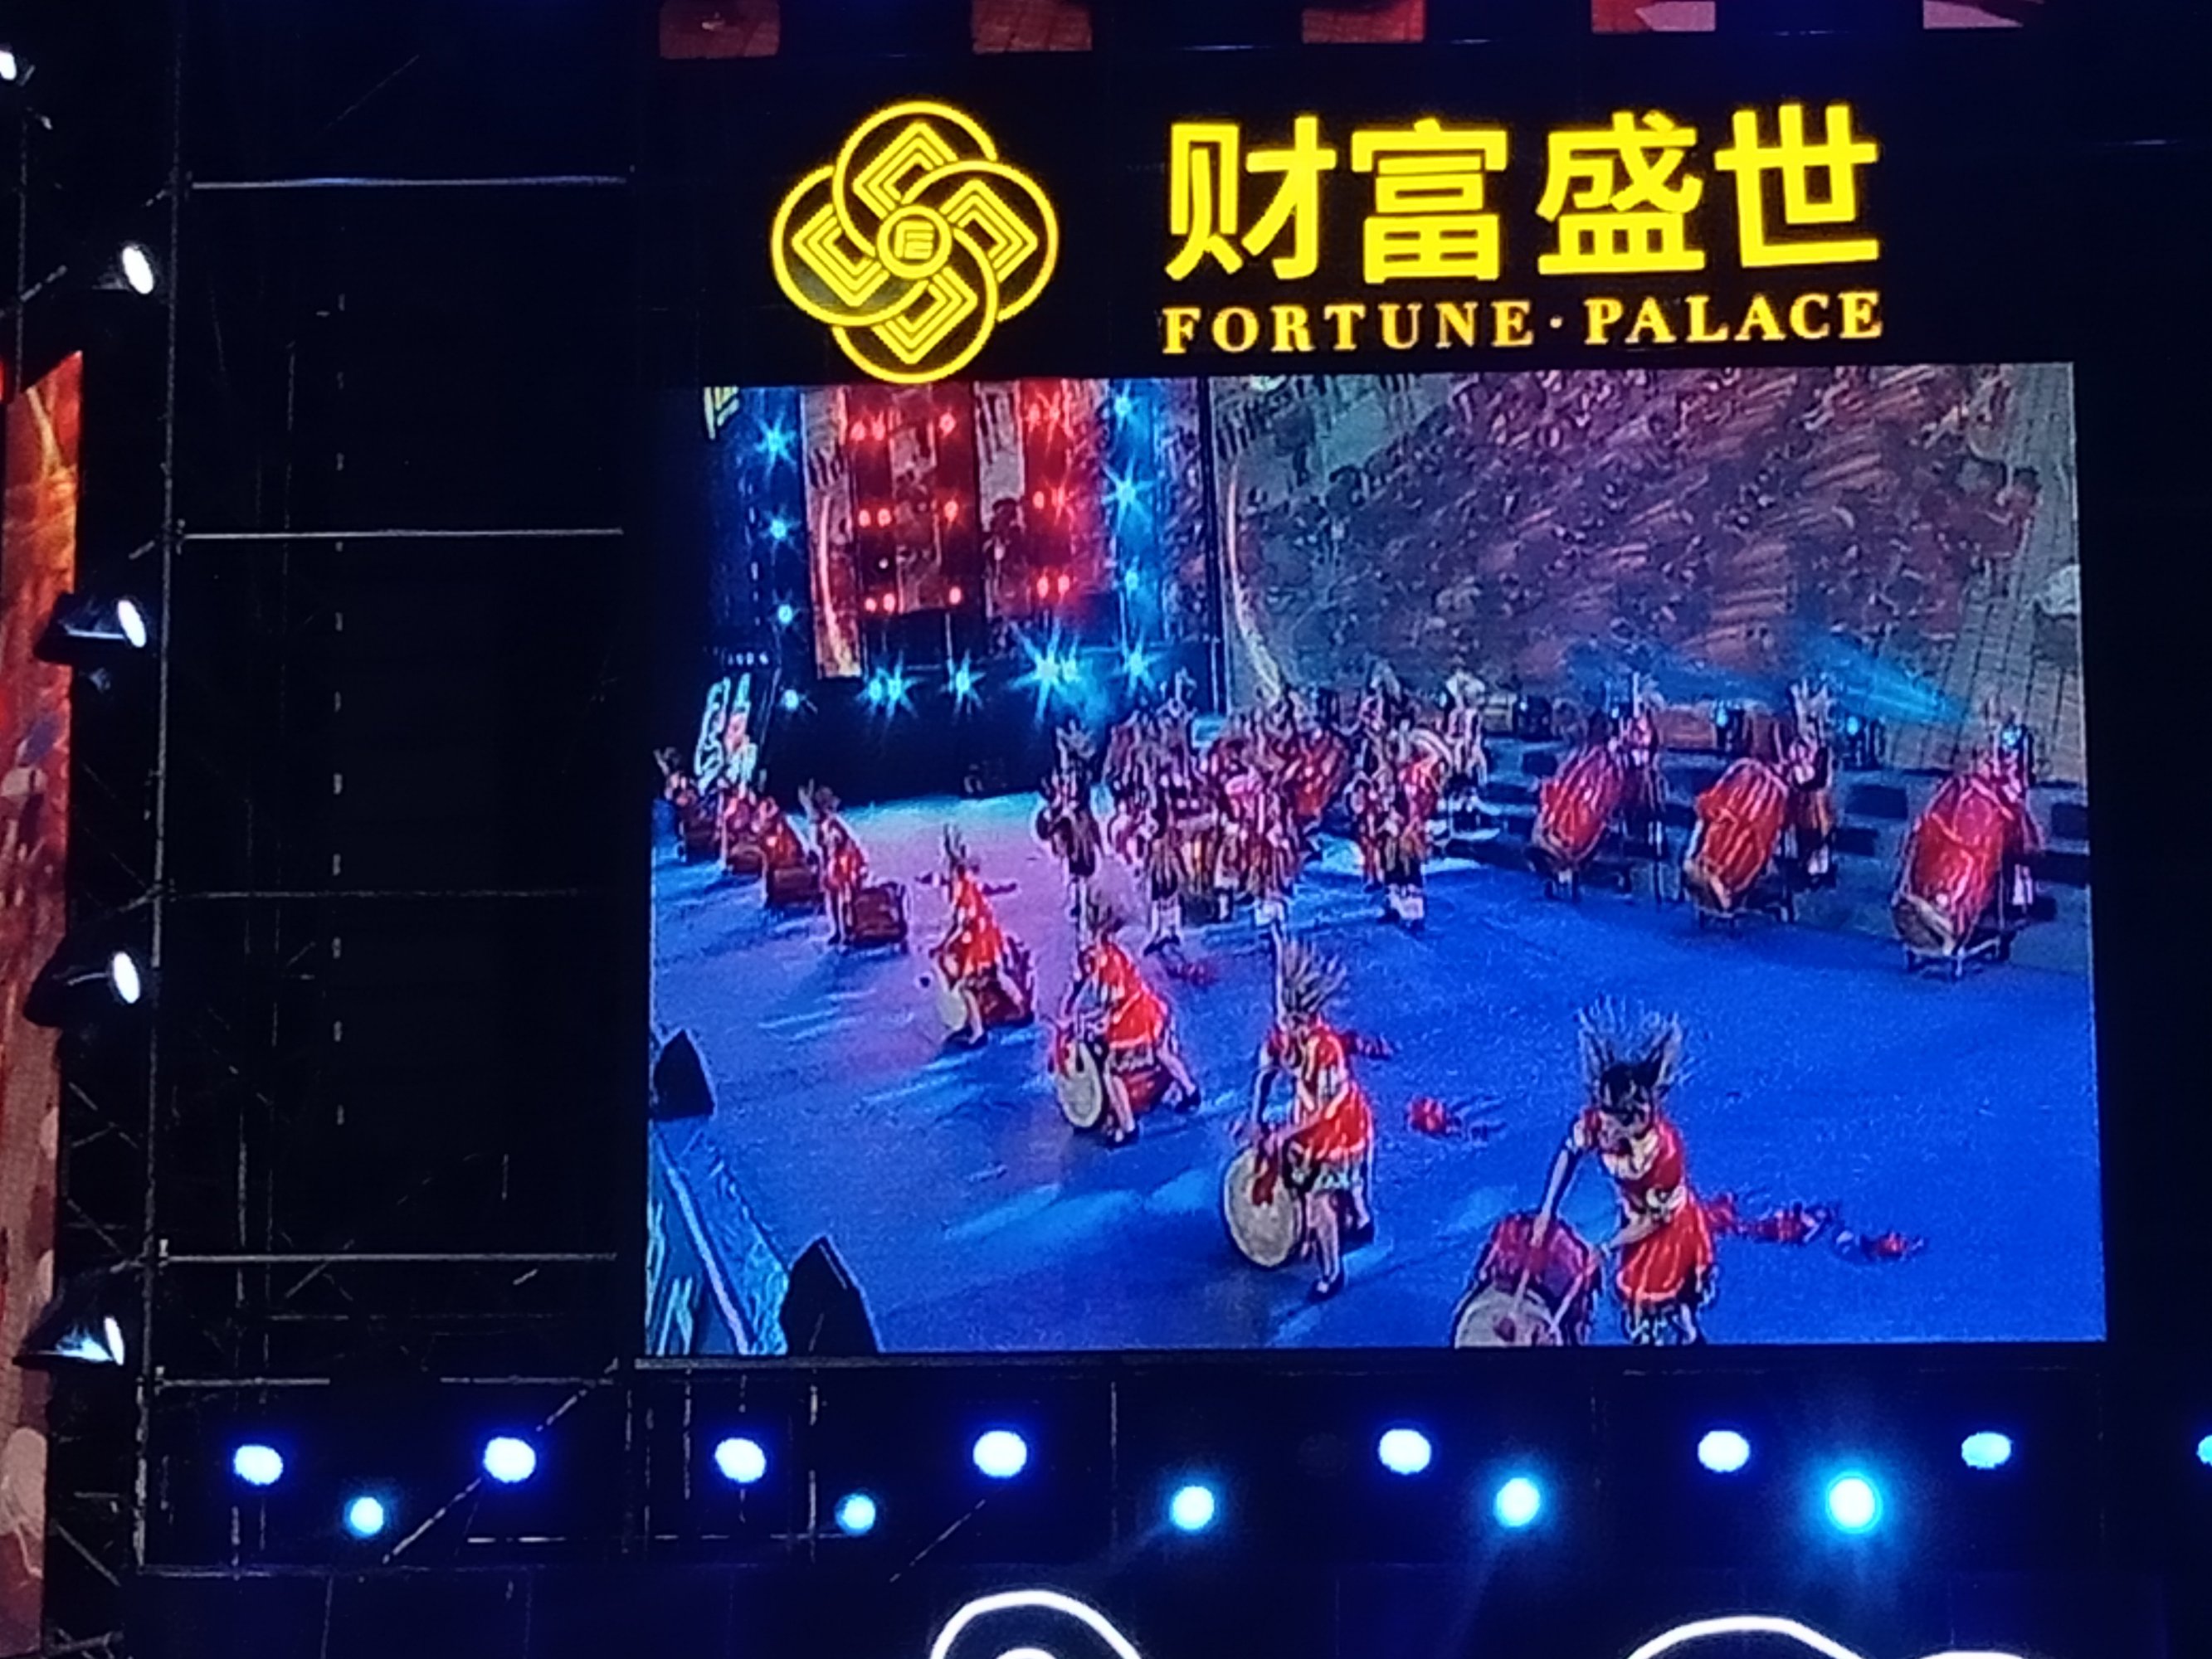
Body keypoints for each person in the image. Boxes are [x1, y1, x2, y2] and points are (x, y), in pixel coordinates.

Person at [1532, 1006, 1715, 1345]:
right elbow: (1569, 1153)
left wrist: (1606, 1247)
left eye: (1611, 1122)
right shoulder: (1600, 1123)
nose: (1603, 1130)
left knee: (1664, 1306)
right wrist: (1547, 1211)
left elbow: (1653, 1221)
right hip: (1635, 1215)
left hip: (1667, 1228)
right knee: (1656, 1310)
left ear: (1632, 1119)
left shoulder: (1663, 1153)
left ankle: (1689, 1345)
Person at [1249, 938, 1376, 1301]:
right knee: (1326, 1186)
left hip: (1341, 1126)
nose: (1292, 1027)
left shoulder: (1327, 1049)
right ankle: (1358, 1222)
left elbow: (1328, 1110)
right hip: (1309, 1117)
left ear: (1309, 1018)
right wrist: (1255, 1119)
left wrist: (1285, 1132)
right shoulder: (1280, 1038)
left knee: (1322, 1200)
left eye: (1297, 1022)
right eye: (1288, 1021)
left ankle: (1332, 1272)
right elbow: (1264, 1077)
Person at [1061, 897, 1199, 1146]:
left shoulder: (1104, 960)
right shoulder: (1101, 954)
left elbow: (1112, 999)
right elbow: (1079, 985)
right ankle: (1190, 1091)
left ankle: (1127, 1127)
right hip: (1145, 1007)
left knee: (1112, 1072)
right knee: (1161, 1051)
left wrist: (1095, 1021)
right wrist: (1069, 1007)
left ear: (1094, 932)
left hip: (1132, 1015)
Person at [933, 826, 1026, 1046]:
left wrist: (944, 943)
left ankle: (978, 1032)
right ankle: (1021, 1006)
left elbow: (961, 923)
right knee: (996, 974)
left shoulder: (961, 888)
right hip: (988, 937)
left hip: (979, 942)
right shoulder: (969, 883)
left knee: (968, 986)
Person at [801, 783, 866, 946]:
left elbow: (847, 843)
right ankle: (837, 930)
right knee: (831, 898)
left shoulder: (834, 824)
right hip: (831, 865)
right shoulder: (819, 826)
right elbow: (820, 849)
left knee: (844, 898)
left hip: (842, 866)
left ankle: (847, 930)